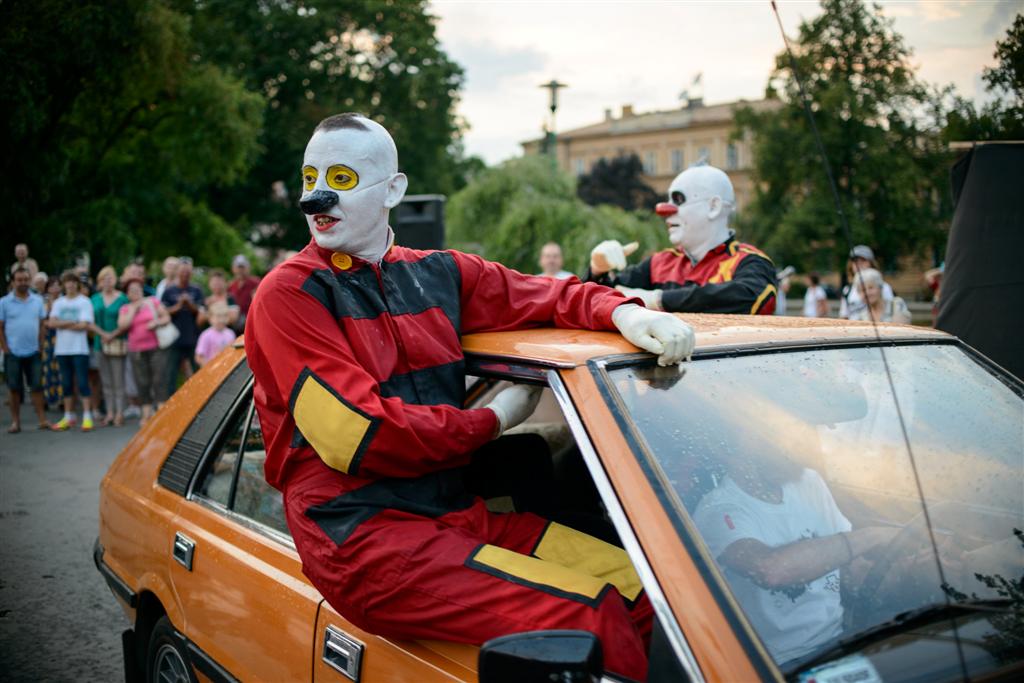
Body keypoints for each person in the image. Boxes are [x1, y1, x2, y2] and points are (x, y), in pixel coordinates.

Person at [245, 113, 695, 680]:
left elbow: (546, 294)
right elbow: (355, 435)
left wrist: (624, 312)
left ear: (394, 190)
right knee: (591, 617)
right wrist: (493, 420)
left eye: (339, 177)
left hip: (452, 515)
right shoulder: (288, 293)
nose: (315, 199)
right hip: (360, 534)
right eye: (311, 177)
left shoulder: (439, 273)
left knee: (651, 592)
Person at [693, 445, 899, 664]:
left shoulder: (808, 481)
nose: (786, 448)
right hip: (775, 661)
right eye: (767, 438)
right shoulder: (718, 510)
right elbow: (769, 570)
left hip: (836, 638)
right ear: (732, 451)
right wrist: (872, 536)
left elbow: (848, 567)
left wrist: (908, 566)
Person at [584, 164, 777, 315]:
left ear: (714, 207)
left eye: (677, 199)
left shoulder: (750, 262)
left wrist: (657, 300)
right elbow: (596, 302)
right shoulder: (659, 264)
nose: (664, 211)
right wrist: (596, 272)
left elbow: (749, 298)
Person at [47, 271, 98, 431]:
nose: (70, 285)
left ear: (77, 284)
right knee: (66, 383)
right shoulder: (58, 303)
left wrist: (62, 323)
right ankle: (68, 417)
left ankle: (87, 417)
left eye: (73, 281)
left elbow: (85, 324)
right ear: (63, 284)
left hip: (79, 349)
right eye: (67, 282)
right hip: (62, 349)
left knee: (83, 382)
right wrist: (71, 322)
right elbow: (51, 323)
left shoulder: (84, 301)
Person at [0, 266, 48, 432]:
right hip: (12, 352)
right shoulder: (4, 302)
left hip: (34, 351)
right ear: (13, 282)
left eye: (26, 280)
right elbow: (0, 327)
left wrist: (41, 345)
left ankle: (42, 419)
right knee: (14, 388)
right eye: (19, 280)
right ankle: (15, 422)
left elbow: (42, 324)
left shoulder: (38, 300)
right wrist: (5, 348)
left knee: (37, 386)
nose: (23, 283)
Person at [116, 279, 170, 424]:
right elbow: (123, 326)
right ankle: (146, 412)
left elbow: (166, 317)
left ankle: (161, 409)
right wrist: (134, 309)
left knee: (159, 378)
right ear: (127, 294)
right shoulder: (125, 308)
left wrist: (156, 323)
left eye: (138, 288)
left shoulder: (152, 301)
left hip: (156, 347)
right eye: (132, 290)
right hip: (136, 350)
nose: (136, 292)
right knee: (142, 381)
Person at [92, 266, 129, 427]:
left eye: (110, 278)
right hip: (99, 344)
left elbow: (127, 322)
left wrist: (112, 334)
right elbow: (89, 322)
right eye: (104, 278)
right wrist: (103, 334)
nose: (107, 281)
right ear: (100, 281)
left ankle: (120, 413)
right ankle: (110, 413)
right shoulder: (94, 299)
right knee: (106, 381)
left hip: (117, 342)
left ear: (115, 280)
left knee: (118, 380)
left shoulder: (122, 299)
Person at [161, 257, 204, 396]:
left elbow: (201, 312)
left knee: (197, 372)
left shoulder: (196, 290)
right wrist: (179, 305)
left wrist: (189, 304)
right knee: (171, 374)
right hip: (175, 339)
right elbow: (163, 311)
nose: (185, 274)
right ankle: (170, 400)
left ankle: (200, 396)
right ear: (177, 272)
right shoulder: (169, 291)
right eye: (182, 271)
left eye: (187, 272)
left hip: (193, 337)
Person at [839, 245, 892, 319]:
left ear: (871, 263)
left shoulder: (884, 287)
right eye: (855, 261)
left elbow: (890, 312)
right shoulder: (847, 290)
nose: (859, 264)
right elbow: (844, 316)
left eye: (863, 260)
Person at [40, 276, 63, 409]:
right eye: (52, 286)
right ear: (47, 288)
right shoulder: (43, 303)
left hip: (61, 337)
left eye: (57, 285)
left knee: (60, 368)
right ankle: (47, 398)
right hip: (48, 339)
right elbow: (41, 321)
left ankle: (61, 399)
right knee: (47, 369)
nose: (55, 288)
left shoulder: (64, 301)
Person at [228, 254, 260, 325]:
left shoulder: (256, 283)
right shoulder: (231, 285)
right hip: (234, 322)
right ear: (233, 269)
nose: (240, 270)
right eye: (238, 267)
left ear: (248, 268)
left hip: (251, 321)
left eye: (243, 267)